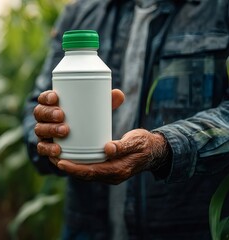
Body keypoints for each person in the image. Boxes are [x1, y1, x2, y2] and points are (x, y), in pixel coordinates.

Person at [22, 0, 229, 239]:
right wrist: (47, 133)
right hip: (87, 227)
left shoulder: (219, 8)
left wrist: (163, 148)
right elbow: (35, 106)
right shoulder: (81, 13)